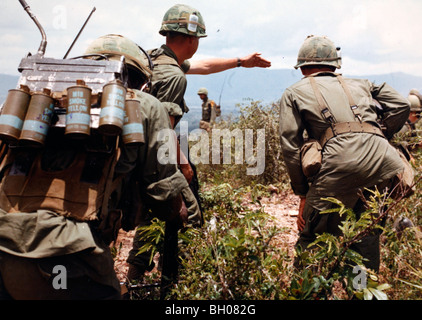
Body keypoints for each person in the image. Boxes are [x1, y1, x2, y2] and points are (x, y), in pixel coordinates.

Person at [0, 34, 199, 299]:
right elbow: (163, 191)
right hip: (72, 254)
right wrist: (190, 221)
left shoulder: (32, 100)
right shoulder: (146, 105)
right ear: (140, 80)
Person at [127, 3, 271, 281]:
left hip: (137, 150)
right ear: (192, 40)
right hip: (157, 154)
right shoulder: (173, 76)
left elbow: (203, 66)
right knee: (184, 212)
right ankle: (177, 281)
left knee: (154, 213)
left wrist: (241, 61)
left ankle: (136, 278)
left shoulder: (154, 59)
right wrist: (183, 166)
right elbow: (164, 132)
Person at [279, 35, 410, 272]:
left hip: (339, 165)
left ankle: (310, 292)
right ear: (335, 65)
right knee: (367, 235)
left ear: (302, 68)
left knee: (312, 236)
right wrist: (377, 134)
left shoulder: (294, 92)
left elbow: (290, 145)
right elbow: (401, 105)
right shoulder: (362, 84)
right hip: (384, 163)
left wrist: (303, 194)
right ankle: (361, 291)